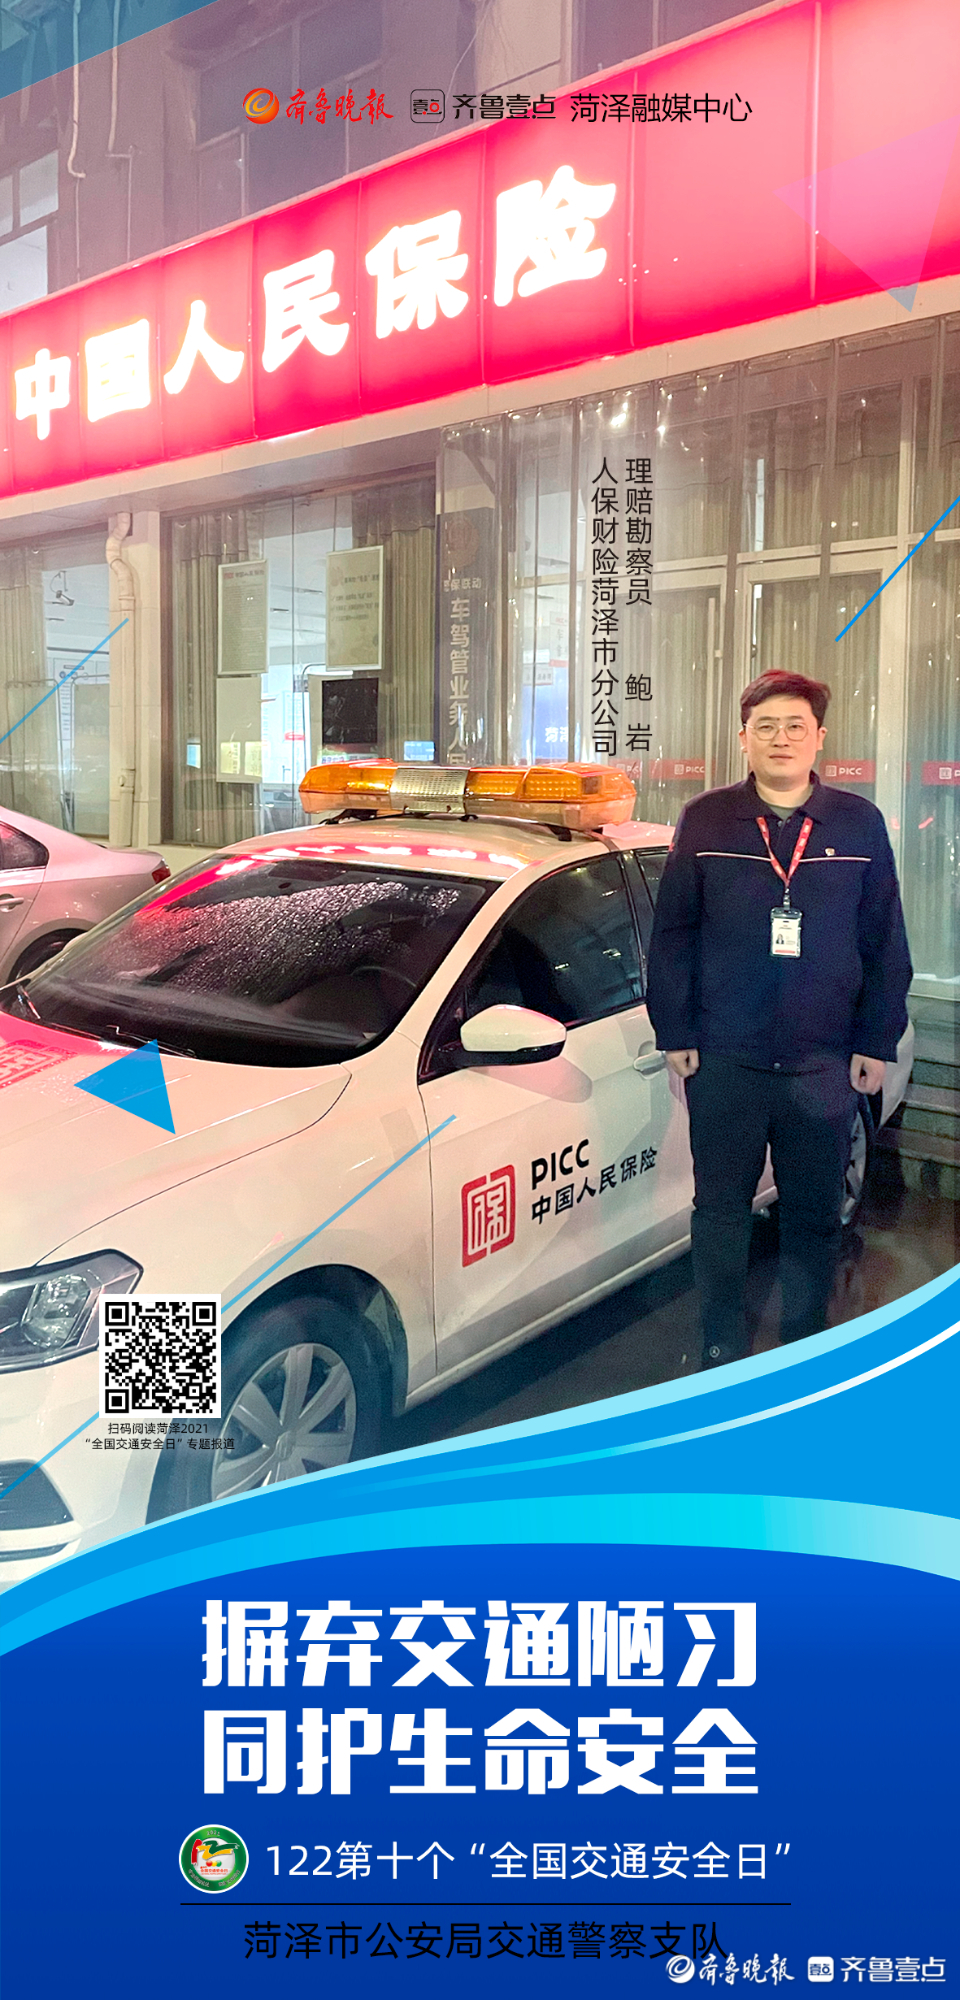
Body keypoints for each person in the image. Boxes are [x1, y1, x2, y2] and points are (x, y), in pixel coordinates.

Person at [645, 669, 913, 1369]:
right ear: (744, 739)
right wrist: (675, 1030)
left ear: (819, 737)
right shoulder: (706, 819)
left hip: (823, 1061)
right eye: (765, 726)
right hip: (724, 1057)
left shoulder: (858, 822)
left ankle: (803, 1343)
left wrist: (875, 1039)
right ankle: (720, 1341)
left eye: (796, 725)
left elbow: (885, 941)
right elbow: (673, 933)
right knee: (719, 1211)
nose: (781, 738)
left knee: (812, 1216)